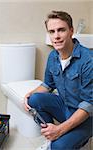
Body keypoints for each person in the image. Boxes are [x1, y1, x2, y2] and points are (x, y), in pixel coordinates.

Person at [24, 11, 93, 150]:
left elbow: (89, 104)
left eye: (61, 30)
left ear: (71, 31)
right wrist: (29, 94)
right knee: (34, 99)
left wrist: (60, 130)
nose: (56, 36)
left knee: (58, 147)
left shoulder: (88, 60)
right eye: (52, 31)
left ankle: (65, 138)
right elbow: (48, 84)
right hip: (66, 107)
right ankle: (52, 134)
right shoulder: (53, 57)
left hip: (88, 117)